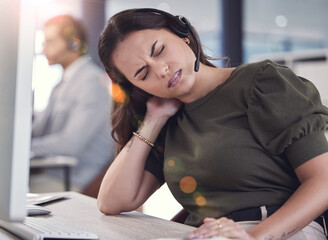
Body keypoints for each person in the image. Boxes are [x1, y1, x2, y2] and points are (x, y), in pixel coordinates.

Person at [96, 8, 328, 240]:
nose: (161, 70)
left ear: (182, 34)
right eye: (143, 73)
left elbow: (323, 181)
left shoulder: (262, 83)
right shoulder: (169, 123)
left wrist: (255, 237)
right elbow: (111, 201)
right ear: (138, 89)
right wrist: (153, 119)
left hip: (277, 229)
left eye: (159, 50)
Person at [31, 15, 113, 193]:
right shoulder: (62, 83)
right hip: (55, 173)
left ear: (74, 43)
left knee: (5, 192)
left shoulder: (92, 82)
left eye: (50, 41)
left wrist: (25, 148)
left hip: (75, 179)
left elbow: (70, 144)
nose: (44, 48)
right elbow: (38, 131)